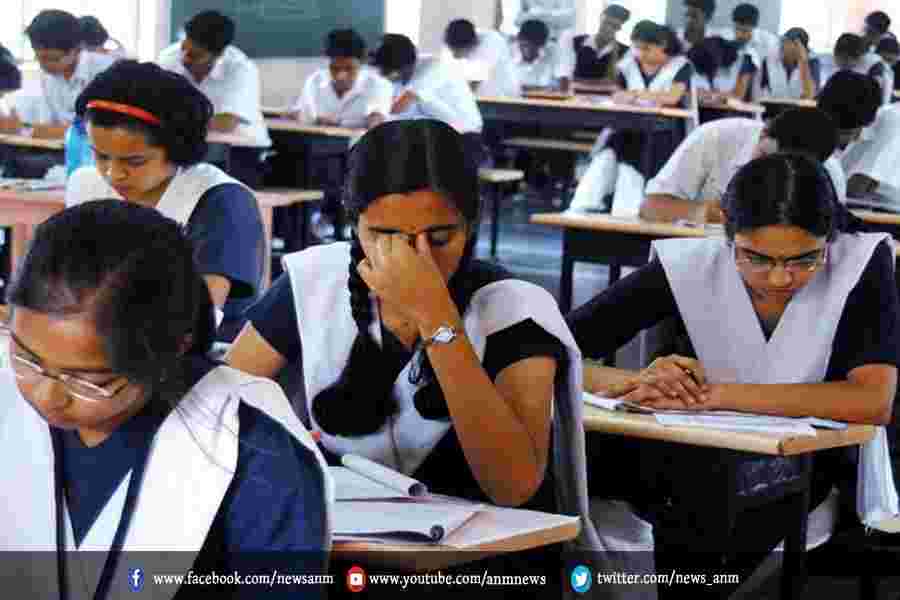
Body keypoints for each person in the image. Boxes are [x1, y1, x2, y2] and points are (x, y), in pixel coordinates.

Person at [225, 119, 601, 560]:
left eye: (440, 238)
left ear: (470, 225)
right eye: (385, 236)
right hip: (337, 550)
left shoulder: (515, 310)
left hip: (478, 566)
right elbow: (214, 409)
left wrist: (435, 317)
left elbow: (513, 486)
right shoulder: (314, 282)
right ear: (354, 222)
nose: (415, 259)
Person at [569, 153, 898, 595]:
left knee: (697, 493)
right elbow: (555, 347)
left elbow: (871, 400)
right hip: (697, 446)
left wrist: (710, 394)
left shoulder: (860, 263)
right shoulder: (694, 264)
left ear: (829, 237)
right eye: (756, 258)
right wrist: (635, 382)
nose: (779, 278)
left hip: (811, 459)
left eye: (805, 259)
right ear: (727, 229)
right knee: (571, 455)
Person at [0, 200, 331, 599]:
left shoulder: (254, 448)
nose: (48, 396)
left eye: (88, 381)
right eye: (26, 359)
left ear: (173, 348)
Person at [64, 60, 265, 343]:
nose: (113, 173)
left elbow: (196, 321)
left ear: (178, 150)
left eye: (134, 161)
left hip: (201, 353)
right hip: (106, 341)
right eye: (101, 155)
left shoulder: (222, 202)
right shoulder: (86, 185)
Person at [641, 72, 883, 222]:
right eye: (767, 157)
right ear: (764, 131)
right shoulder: (715, 137)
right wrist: (707, 213)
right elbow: (651, 207)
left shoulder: (830, 173)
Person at [567, 22, 693, 215]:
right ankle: (583, 206)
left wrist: (635, 95)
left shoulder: (680, 66)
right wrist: (624, 97)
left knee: (630, 162)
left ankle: (627, 212)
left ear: (663, 45)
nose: (641, 54)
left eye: (647, 49)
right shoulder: (628, 65)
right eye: (637, 48)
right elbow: (618, 94)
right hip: (628, 127)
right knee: (606, 156)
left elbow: (672, 97)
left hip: (663, 132)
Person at [157, 10, 271, 187]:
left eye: (194, 55)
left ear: (217, 55)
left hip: (240, 150)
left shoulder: (241, 69)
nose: (184, 58)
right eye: (183, 48)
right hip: (189, 145)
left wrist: (175, 122)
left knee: (223, 196)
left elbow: (225, 123)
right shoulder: (169, 59)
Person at [370, 34, 487, 168]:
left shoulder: (434, 68)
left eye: (387, 72)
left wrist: (376, 112)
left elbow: (397, 107)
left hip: (465, 139)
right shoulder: (400, 77)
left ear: (403, 66)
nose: (385, 76)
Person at [0, 10, 114, 140]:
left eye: (53, 59)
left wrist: (25, 129)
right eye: (39, 58)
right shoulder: (46, 78)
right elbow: (46, 126)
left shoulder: (106, 72)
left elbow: (99, 132)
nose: (45, 65)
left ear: (77, 49)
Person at [291, 28, 392, 129]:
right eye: (334, 68)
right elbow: (299, 114)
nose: (341, 76)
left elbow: (376, 123)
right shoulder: (314, 81)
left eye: (349, 69)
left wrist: (339, 124)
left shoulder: (379, 85)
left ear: (361, 64)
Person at [558, 4, 631, 89]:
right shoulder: (575, 42)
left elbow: (618, 84)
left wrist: (615, 54)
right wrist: (599, 83)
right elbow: (564, 77)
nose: (608, 28)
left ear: (619, 28)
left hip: (605, 96)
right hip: (575, 94)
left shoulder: (624, 51)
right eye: (606, 23)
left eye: (614, 26)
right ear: (601, 18)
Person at [441, 19, 520, 97]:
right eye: (451, 50)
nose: (454, 55)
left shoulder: (491, 42)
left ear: (471, 44)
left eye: (457, 51)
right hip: (482, 97)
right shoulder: (456, 40)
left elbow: (473, 83)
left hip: (504, 98)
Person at [821, 33, 892, 106]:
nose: (841, 64)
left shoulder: (874, 66)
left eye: (845, 59)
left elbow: (876, 97)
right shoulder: (829, 63)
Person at [688, 36, 757, 103]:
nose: (715, 74)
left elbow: (738, 95)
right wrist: (698, 91)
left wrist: (715, 95)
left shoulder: (746, 60)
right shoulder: (701, 53)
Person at [759, 27, 820, 99]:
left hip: (799, 105)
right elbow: (762, 88)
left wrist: (803, 62)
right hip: (774, 102)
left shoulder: (812, 61)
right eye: (785, 42)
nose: (788, 47)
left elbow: (811, 95)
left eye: (796, 45)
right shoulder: (770, 58)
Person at [512, 19, 564, 90]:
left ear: (543, 44)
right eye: (525, 45)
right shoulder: (507, 54)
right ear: (518, 39)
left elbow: (561, 83)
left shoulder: (553, 52)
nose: (529, 50)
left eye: (535, 47)